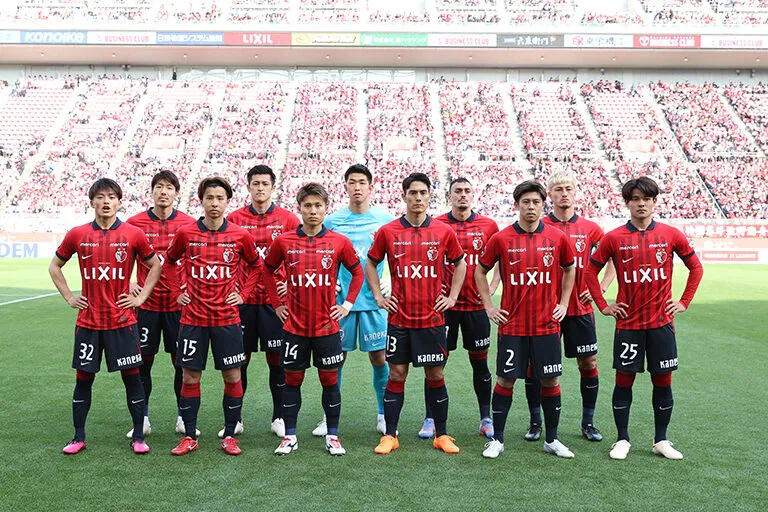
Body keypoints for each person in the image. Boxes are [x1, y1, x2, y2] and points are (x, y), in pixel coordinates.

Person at [584, 176, 703, 461]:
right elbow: (589, 271)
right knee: (624, 381)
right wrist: (603, 305)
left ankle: (661, 440)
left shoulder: (670, 234)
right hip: (629, 325)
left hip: (662, 325)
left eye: (646, 199)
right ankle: (622, 439)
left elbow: (696, 268)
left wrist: (683, 302)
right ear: (627, 203)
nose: (641, 204)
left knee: (663, 382)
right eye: (635, 199)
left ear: (654, 202)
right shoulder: (614, 238)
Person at [50, 178, 162, 455]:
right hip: (88, 323)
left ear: (120, 202)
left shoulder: (133, 234)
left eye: (111, 197)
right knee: (83, 379)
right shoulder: (77, 234)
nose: (106, 202)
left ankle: (139, 437)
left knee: (132, 378)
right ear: (92, 202)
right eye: (100, 197)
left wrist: (141, 298)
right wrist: (69, 297)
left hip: (122, 323)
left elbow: (155, 265)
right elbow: (55, 266)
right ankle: (78, 437)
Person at [475, 180, 576, 459]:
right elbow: (479, 271)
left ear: (544, 205)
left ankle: (552, 439)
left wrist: (564, 303)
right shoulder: (501, 238)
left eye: (536, 202)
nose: (531, 207)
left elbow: (570, 268)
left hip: (546, 326)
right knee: (506, 380)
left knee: (550, 380)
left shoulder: (557, 237)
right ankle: (497, 440)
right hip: (513, 326)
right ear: (516, 204)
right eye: (526, 202)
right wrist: (489, 307)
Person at [368, 172, 467, 455]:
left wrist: (452, 297)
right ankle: (390, 435)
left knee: (435, 374)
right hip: (399, 319)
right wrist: (378, 297)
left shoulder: (443, 231)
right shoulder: (388, 231)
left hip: (432, 319)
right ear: (404, 196)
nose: (418, 198)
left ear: (429, 196)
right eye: (413, 193)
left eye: (423, 193)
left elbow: (460, 263)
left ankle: (442, 434)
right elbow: (371, 263)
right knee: (397, 373)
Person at [265, 183, 363, 456]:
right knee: (292, 381)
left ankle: (332, 436)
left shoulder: (338, 241)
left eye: (318, 205)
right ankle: (290, 436)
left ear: (325, 208)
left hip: (327, 328)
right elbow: (267, 270)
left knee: (329, 381)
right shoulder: (284, 241)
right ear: (299, 208)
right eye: (307, 205)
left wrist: (346, 305)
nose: (313, 210)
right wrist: (277, 305)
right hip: (294, 328)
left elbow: (357, 273)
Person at [167, 177, 260, 457]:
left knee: (232, 375)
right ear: (201, 201)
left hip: (227, 320)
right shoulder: (185, 233)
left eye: (220, 198)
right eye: (210, 198)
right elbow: (168, 263)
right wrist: (177, 292)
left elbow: (258, 266)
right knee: (190, 377)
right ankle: (189, 436)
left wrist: (243, 294)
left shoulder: (240, 235)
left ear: (228, 201)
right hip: (193, 320)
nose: (215, 203)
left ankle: (230, 435)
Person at [522, 172, 616, 443]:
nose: (564, 194)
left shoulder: (590, 228)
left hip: (580, 309)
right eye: (558, 189)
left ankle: (588, 422)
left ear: (575, 193)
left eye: (568, 189)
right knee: (536, 367)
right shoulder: (538, 226)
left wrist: (601, 287)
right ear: (549, 195)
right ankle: (535, 422)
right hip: (546, 311)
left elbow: (612, 259)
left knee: (588, 363)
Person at [311, 164, 394, 438]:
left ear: (371, 187)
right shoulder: (333, 221)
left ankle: (383, 414)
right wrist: (329, 279)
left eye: (362, 182)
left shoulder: (385, 220)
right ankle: (329, 416)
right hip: (341, 303)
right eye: (352, 182)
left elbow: (398, 256)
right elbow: (320, 252)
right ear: (345, 186)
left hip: (374, 302)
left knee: (379, 358)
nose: (357, 187)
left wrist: (390, 280)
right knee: (335, 360)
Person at [420, 177, 499, 440]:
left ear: (473, 195)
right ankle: (431, 419)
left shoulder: (488, 226)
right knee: (435, 365)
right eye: (457, 191)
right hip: (444, 307)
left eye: (467, 191)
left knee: (480, 364)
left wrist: (494, 284)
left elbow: (500, 257)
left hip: (476, 307)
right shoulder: (437, 224)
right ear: (449, 196)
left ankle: (486, 418)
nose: (462, 195)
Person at [228, 164, 300, 439]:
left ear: (273, 187)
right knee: (239, 360)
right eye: (255, 183)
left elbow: (300, 254)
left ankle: (278, 417)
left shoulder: (288, 219)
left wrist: (290, 282)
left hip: (275, 303)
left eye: (264, 183)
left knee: (277, 361)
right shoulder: (234, 218)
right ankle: (236, 419)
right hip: (242, 302)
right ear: (248, 187)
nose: (260, 188)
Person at [126, 170, 196, 439]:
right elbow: (122, 257)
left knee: (182, 364)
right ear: (152, 191)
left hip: (179, 307)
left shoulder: (189, 224)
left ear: (177, 193)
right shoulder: (134, 224)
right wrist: (128, 283)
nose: (163, 192)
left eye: (169, 187)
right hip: (146, 306)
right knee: (143, 363)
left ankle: (183, 417)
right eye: (159, 186)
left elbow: (196, 260)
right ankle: (142, 418)